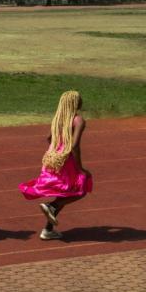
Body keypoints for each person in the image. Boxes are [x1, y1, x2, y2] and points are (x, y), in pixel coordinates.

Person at [19, 90, 93, 240]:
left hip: (53, 159)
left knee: (63, 193)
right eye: (79, 99)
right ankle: (51, 207)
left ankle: (48, 229)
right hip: (66, 159)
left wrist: (56, 148)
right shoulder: (78, 120)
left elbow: (48, 138)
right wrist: (80, 169)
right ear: (74, 103)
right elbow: (74, 146)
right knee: (81, 188)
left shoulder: (58, 119)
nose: (81, 101)